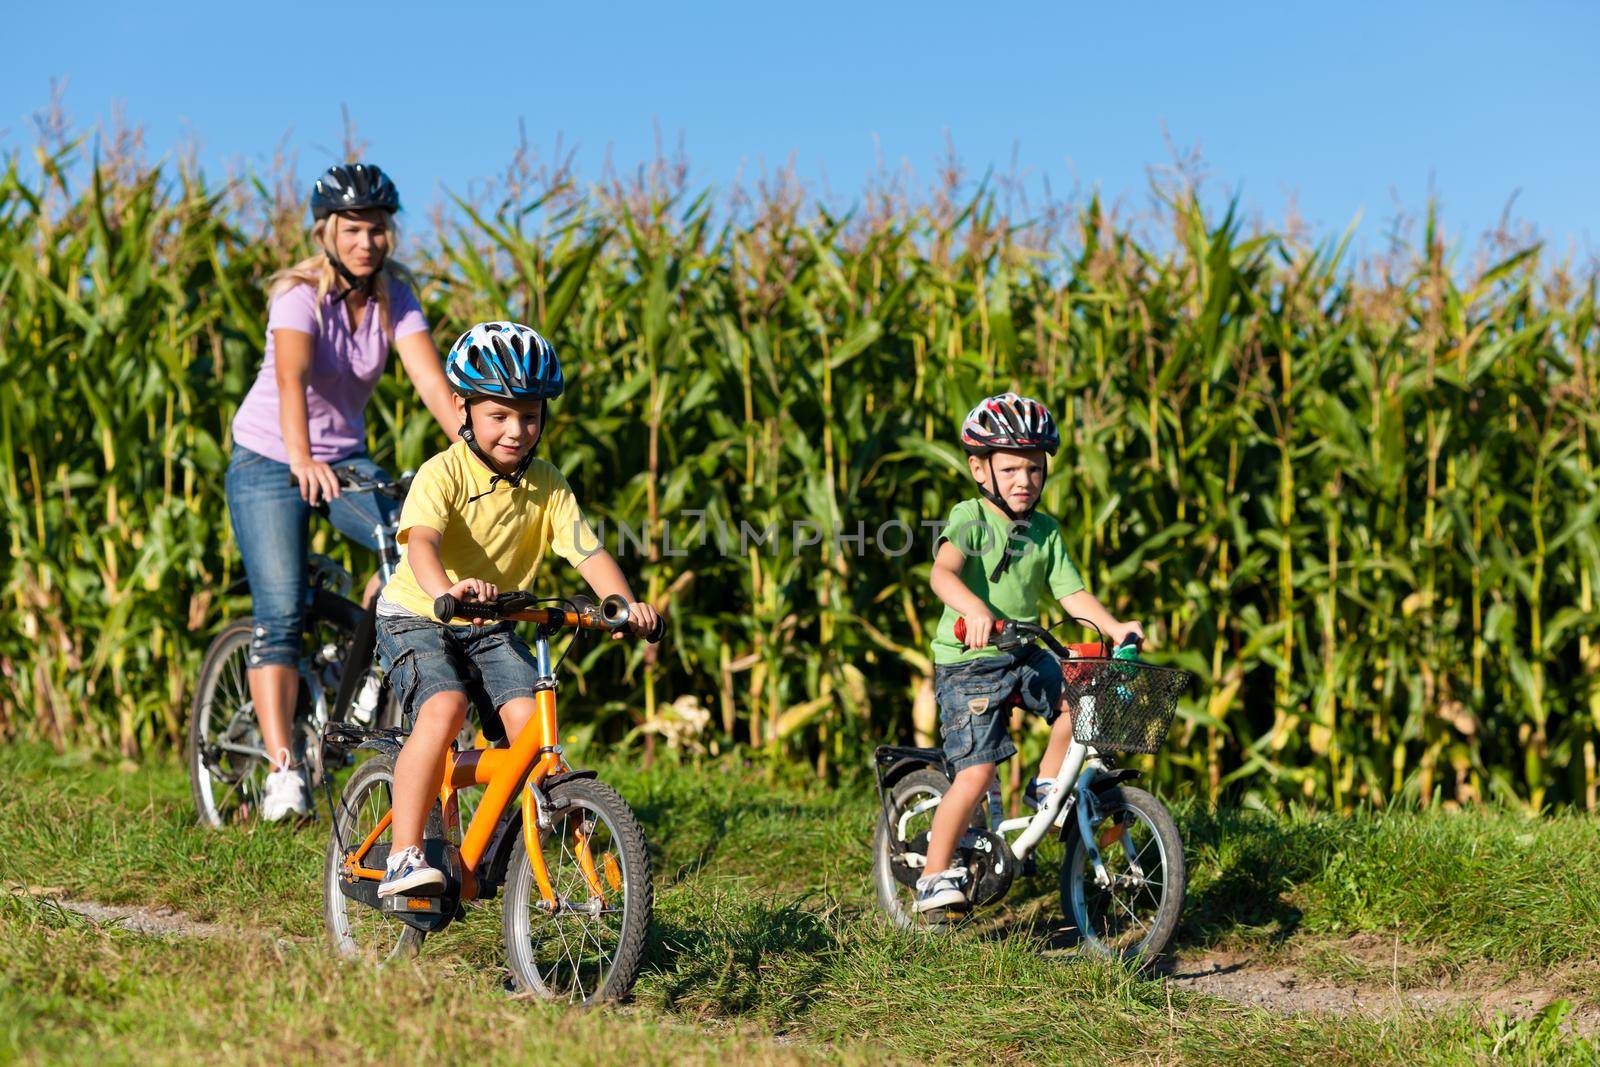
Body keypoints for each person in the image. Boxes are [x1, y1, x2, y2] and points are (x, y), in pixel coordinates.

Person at [371, 321, 660, 897]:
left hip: (493, 622)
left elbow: (588, 551)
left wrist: (624, 606)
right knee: (445, 707)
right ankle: (403, 856)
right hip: (417, 614)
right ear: (463, 408)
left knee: (533, 731)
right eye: (499, 415)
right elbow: (422, 544)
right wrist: (444, 592)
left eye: (528, 416)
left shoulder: (548, 485)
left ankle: (498, 835)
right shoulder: (444, 472)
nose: (516, 430)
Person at [226, 163, 460, 821]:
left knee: (409, 539)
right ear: (327, 231)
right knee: (280, 613)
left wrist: (479, 448)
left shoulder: (395, 297)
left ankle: (360, 678)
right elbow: (291, 378)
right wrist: (300, 456)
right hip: (271, 458)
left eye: (379, 228)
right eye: (354, 228)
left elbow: (434, 385)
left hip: (344, 459)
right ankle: (282, 771)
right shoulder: (299, 294)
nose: (368, 241)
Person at [915, 392, 1145, 914]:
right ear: (980, 469)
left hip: (1021, 651)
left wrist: (1114, 626)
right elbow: (942, 573)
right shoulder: (970, 517)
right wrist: (975, 610)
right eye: (1012, 468)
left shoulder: (1046, 532)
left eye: (1035, 469)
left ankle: (1047, 784)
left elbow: (1073, 595)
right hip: (969, 662)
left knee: (1080, 696)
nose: (1025, 480)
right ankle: (932, 875)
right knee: (977, 773)